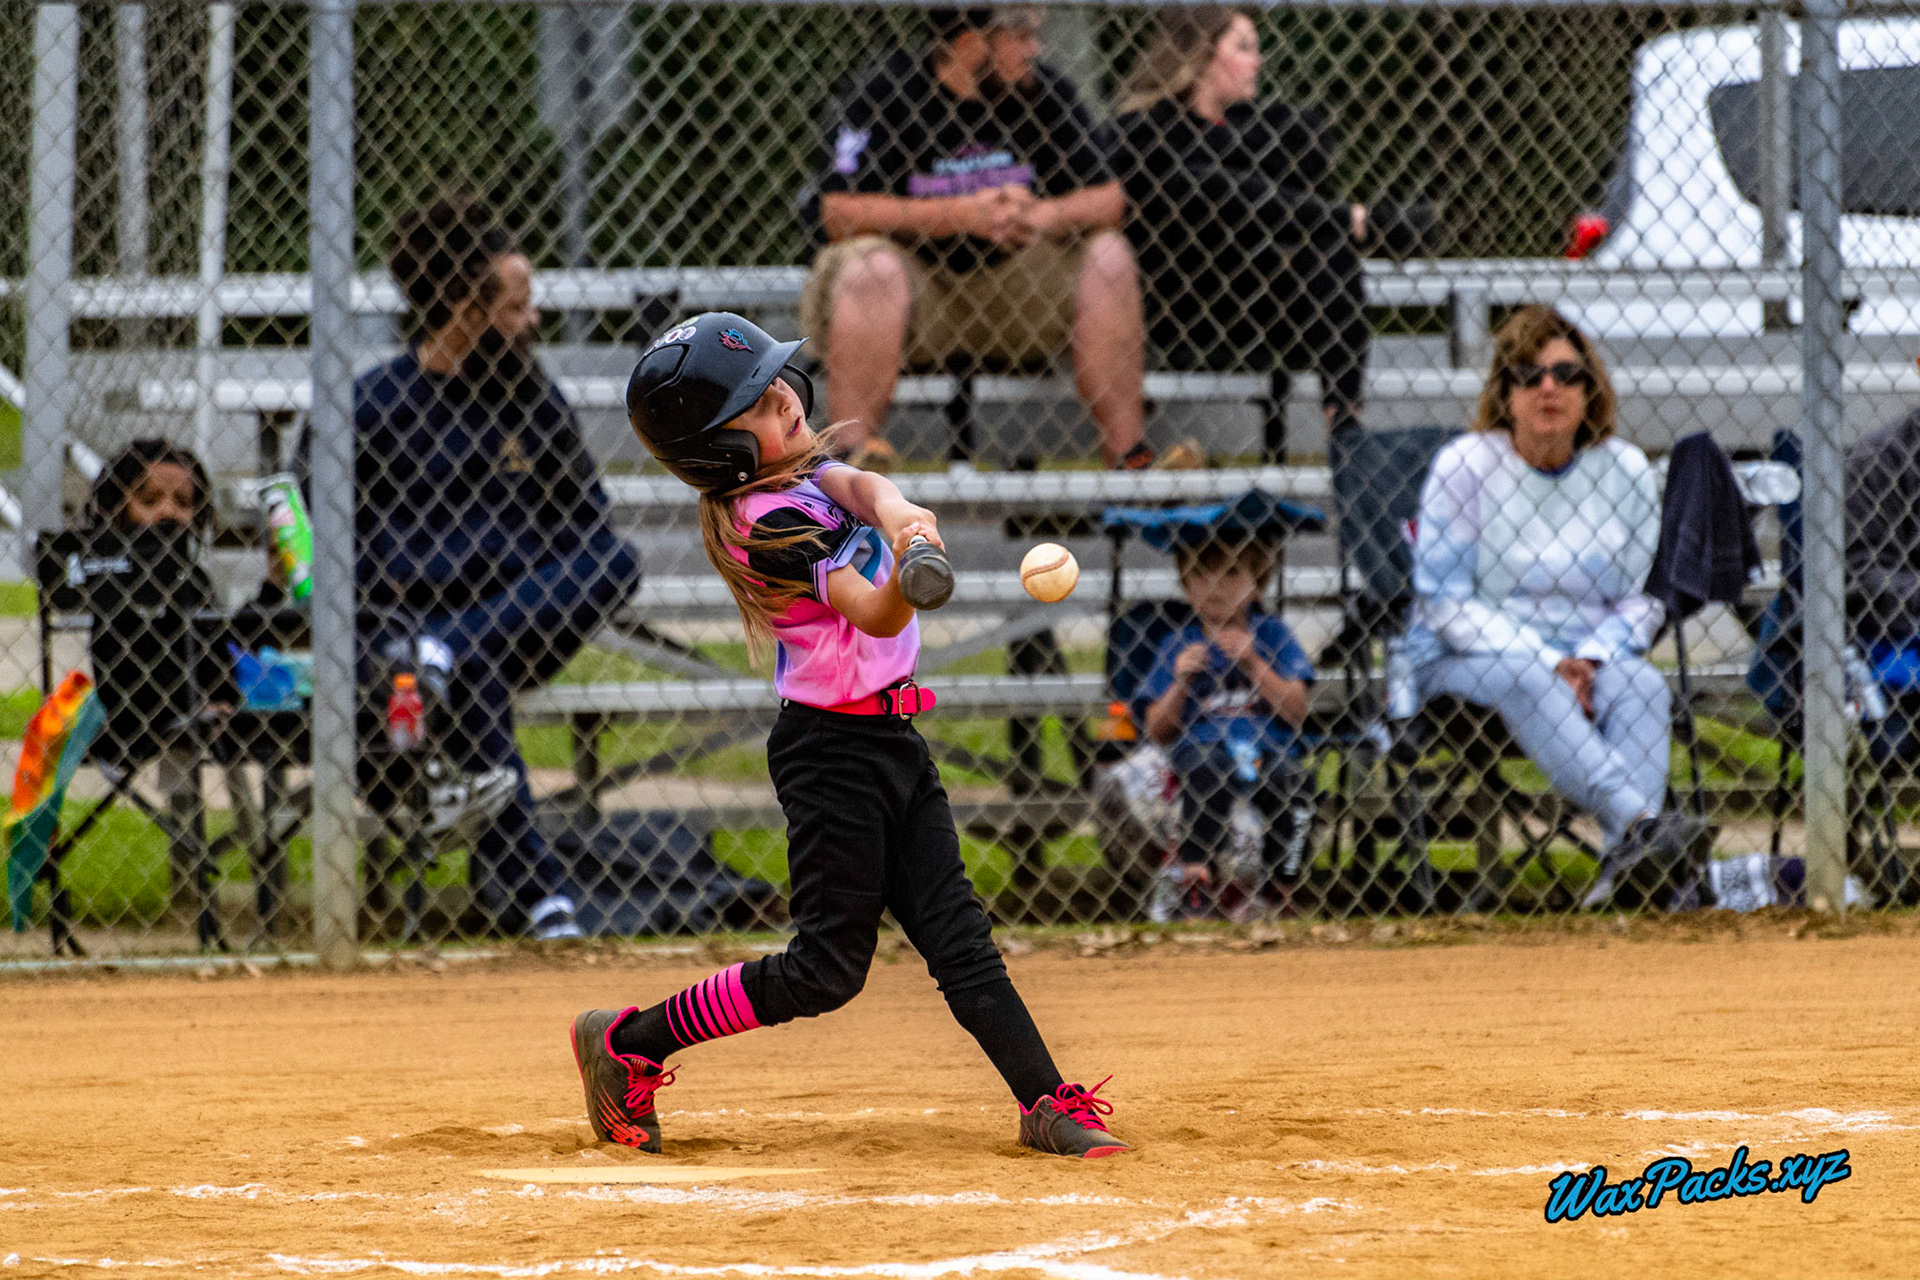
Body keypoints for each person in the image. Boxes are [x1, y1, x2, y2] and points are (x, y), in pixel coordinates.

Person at [586, 310, 1126, 1160]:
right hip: (831, 754)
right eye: (754, 405)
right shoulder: (765, 524)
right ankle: (631, 1042)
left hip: (890, 740)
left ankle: (1044, 1101)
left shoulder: (803, 473)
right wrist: (912, 579)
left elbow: (865, 488)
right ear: (717, 454)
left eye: (772, 385)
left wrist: (905, 518)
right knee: (824, 972)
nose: (779, 399)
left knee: (959, 939)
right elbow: (875, 616)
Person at [299, 196, 642, 940]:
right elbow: (322, 545)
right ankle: (543, 901)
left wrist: (466, 630)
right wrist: (412, 629)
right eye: (517, 306)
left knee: (616, 559)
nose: (533, 321)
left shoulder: (533, 398)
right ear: (464, 309)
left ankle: (448, 650)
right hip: (402, 630)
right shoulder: (371, 408)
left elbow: (590, 531)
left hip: (524, 617)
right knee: (469, 673)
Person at [804, 6, 1190, 471]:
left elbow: (1109, 199)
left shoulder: (1041, 91)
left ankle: (1132, 458)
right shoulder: (885, 90)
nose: (1035, 48)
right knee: (870, 266)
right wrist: (959, 215)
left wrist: (1043, 214)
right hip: (919, 295)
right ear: (971, 42)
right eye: (1021, 34)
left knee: (1108, 254)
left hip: (1015, 293)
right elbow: (837, 211)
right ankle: (849, 469)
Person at [1406, 306, 1688, 908]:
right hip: (1467, 661)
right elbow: (1443, 603)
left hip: (1591, 659)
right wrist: (1547, 660)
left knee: (1642, 686)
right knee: (1525, 678)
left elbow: (1643, 597)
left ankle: (1620, 884)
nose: (1548, 388)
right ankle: (1641, 826)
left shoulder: (1625, 470)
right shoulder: (1467, 466)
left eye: (1566, 374)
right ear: (1504, 394)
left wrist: (1588, 657)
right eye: (1527, 375)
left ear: (1591, 390)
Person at [1105, 6, 1379, 442]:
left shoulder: (1261, 130)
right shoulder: (1143, 130)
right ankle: (1362, 222)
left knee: (1331, 248)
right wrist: (1233, 171)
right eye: (1244, 48)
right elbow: (1206, 190)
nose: (1259, 60)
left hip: (1253, 296)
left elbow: (1306, 150)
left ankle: (1345, 426)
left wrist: (1233, 161)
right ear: (1201, 57)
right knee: (1213, 186)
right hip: (1172, 303)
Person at [1136, 534, 1315, 916]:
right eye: (1200, 575)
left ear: (1257, 582)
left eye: (1232, 573)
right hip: (1203, 748)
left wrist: (1254, 663)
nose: (1216, 586)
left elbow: (1297, 710)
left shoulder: (1272, 635)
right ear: (1186, 587)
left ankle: (1281, 887)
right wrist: (1181, 681)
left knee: (1294, 780)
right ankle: (1197, 877)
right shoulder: (1177, 643)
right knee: (1207, 765)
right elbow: (1156, 728)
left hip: (1267, 750)